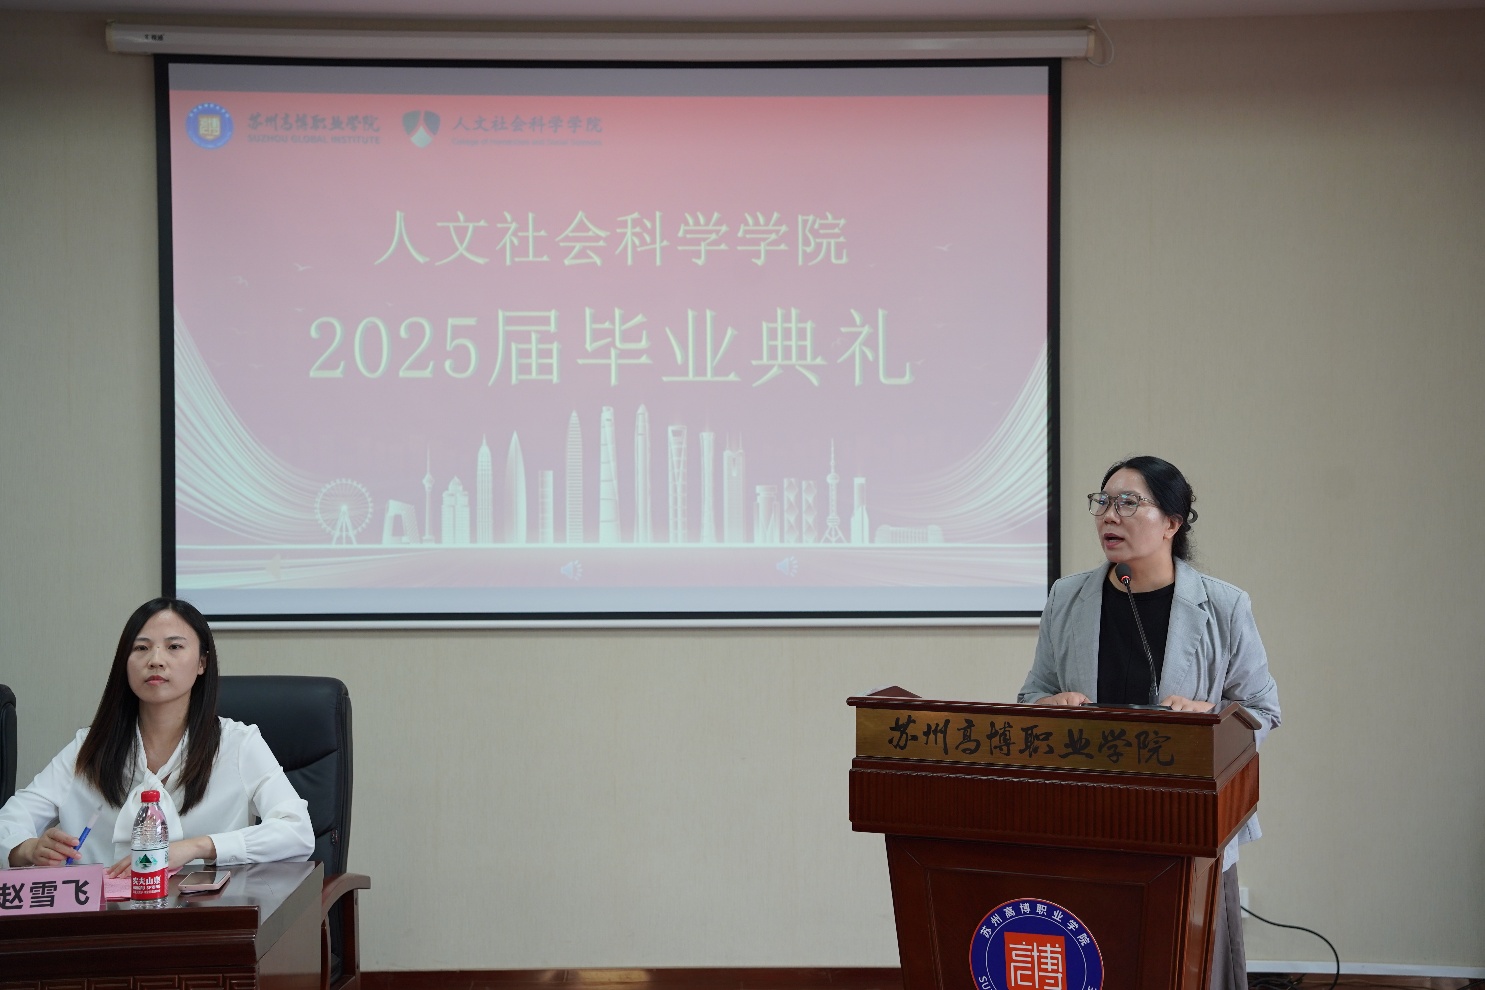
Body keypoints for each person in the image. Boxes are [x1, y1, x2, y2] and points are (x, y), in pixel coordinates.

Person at [1018, 455, 1280, 990]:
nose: (1109, 516)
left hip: (1185, 824)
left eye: (1128, 503)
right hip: (1087, 820)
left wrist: (1210, 715)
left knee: (1183, 966)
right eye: (1103, 502)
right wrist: (1052, 705)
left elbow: (1262, 710)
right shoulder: (1067, 598)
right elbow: (1031, 695)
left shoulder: (1224, 606)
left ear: (1171, 523)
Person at [0, 598, 314, 876]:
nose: (156, 660)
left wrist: (196, 847)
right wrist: (26, 849)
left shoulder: (237, 744)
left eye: (174, 647)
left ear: (202, 662)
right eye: (141, 648)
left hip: (205, 915)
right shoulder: (90, 747)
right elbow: (10, 820)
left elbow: (297, 832)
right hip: (101, 916)